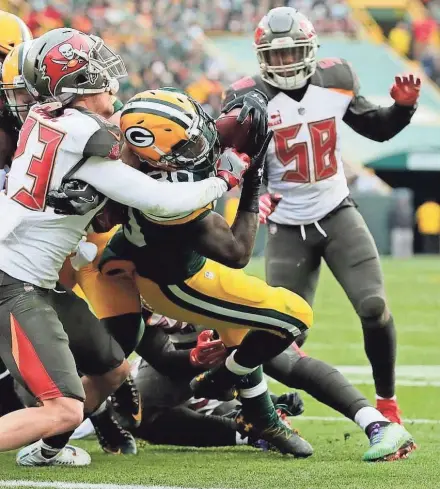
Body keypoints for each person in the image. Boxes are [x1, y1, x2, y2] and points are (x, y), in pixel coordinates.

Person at [0, 27, 247, 456]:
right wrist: (224, 178)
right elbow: (163, 201)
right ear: (77, 83)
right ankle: (51, 437)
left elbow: (105, 135)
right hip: (13, 282)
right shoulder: (83, 139)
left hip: (33, 278)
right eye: (95, 70)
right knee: (62, 410)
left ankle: (45, 453)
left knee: (114, 370)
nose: (108, 78)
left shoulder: (46, 117)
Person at [223, 6, 421, 425]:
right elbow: (235, 161)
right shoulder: (246, 97)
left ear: (311, 49)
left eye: (292, 52)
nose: (285, 62)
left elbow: (378, 128)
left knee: (373, 306)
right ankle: (257, 408)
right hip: (285, 223)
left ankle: (387, 402)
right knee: (281, 333)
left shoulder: (336, 80)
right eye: (275, 56)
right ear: (261, 58)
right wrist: (249, 195)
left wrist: (401, 109)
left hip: (336, 212)